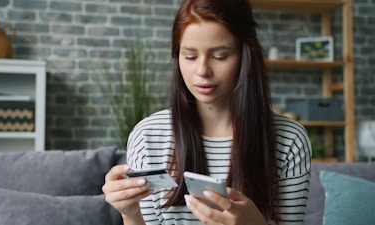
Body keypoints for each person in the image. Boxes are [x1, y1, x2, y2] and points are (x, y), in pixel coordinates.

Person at [102, 0, 311, 224]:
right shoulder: (148, 136)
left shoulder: (290, 140)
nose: (202, 71)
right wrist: (130, 213)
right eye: (190, 56)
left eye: (220, 56)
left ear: (245, 56)